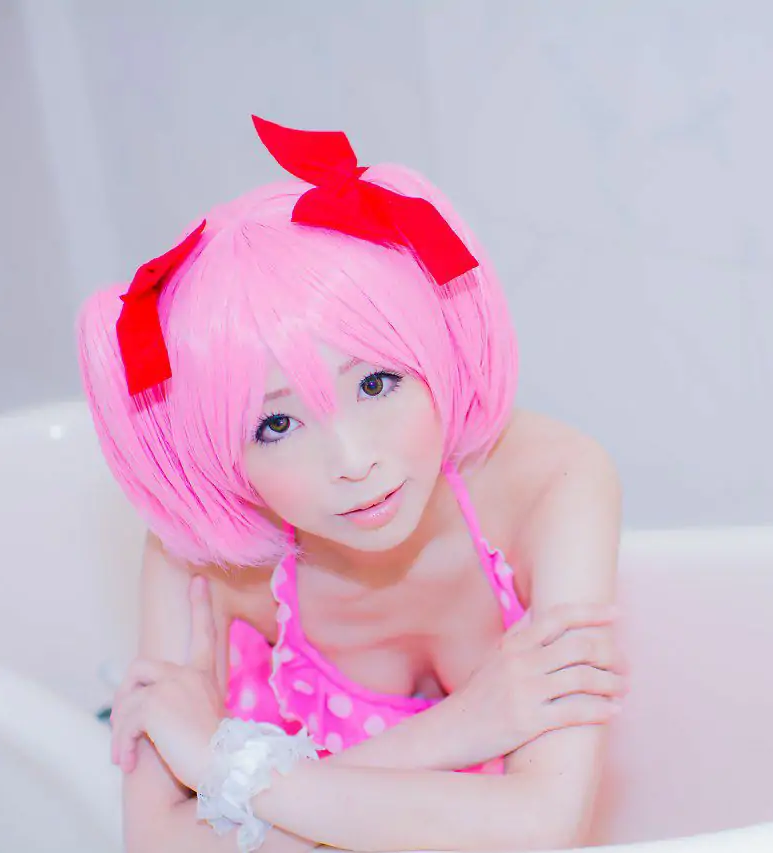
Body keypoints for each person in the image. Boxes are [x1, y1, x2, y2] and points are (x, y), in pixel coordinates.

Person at [76, 115, 627, 853]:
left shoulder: (551, 481)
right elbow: (154, 846)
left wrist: (224, 770)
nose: (352, 459)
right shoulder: (201, 557)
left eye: (375, 383)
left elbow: (545, 824)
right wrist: (460, 727)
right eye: (276, 425)